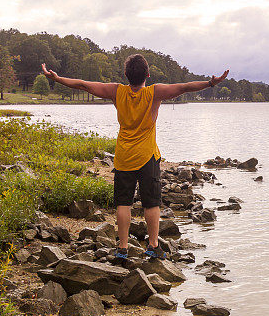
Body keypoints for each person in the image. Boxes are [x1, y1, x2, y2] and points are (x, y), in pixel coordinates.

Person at [41, 55, 228, 261]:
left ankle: (122, 248)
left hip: (124, 156)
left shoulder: (116, 91)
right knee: (151, 203)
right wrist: (210, 83)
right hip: (147, 156)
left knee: (123, 203)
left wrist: (57, 78)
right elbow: (184, 87)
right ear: (147, 74)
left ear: (125, 75)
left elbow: (83, 85)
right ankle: (153, 245)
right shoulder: (154, 92)